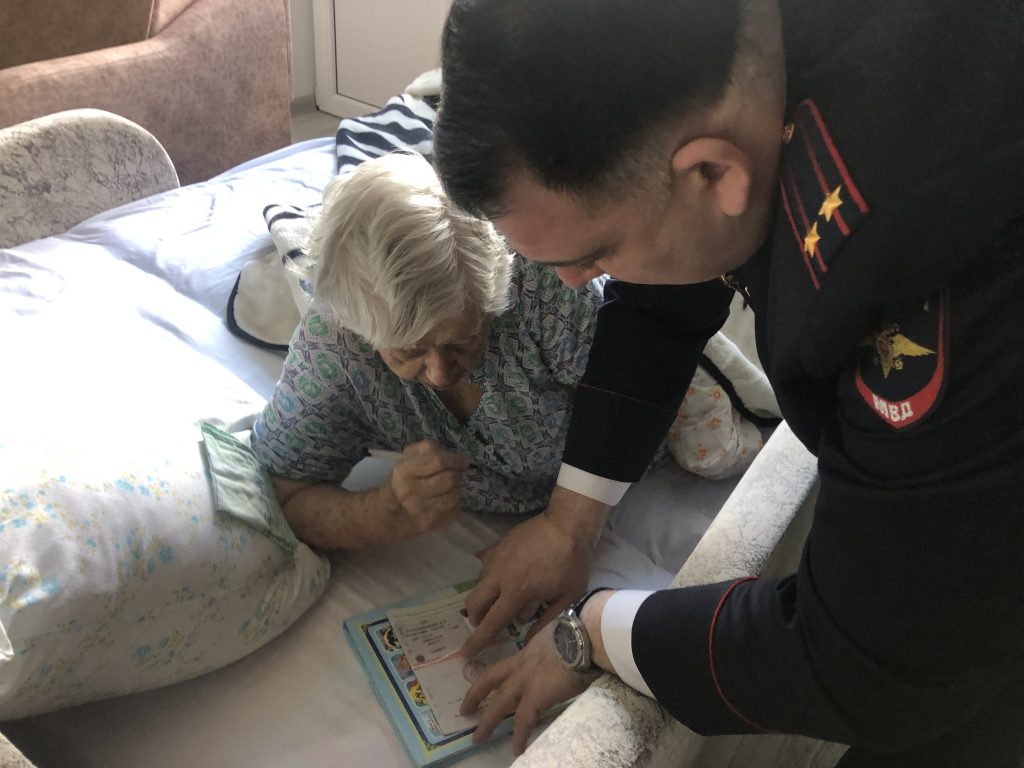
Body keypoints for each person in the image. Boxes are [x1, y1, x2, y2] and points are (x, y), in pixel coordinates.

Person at [432, 0, 1024, 764]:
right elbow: (665, 287)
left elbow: (872, 661)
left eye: (596, 255)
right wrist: (569, 522)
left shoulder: (913, 261)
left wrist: (599, 628)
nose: (578, 284)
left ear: (714, 170)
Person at [250, 151, 761, 567]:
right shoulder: (334, 349)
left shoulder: (546, 289)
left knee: (713, 449)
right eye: (408, 352)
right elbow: (283, 491)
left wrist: (566, 526)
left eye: (460, 340)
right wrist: (383, 514)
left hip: (656, 397)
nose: (440, 373)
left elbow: (645, 372)